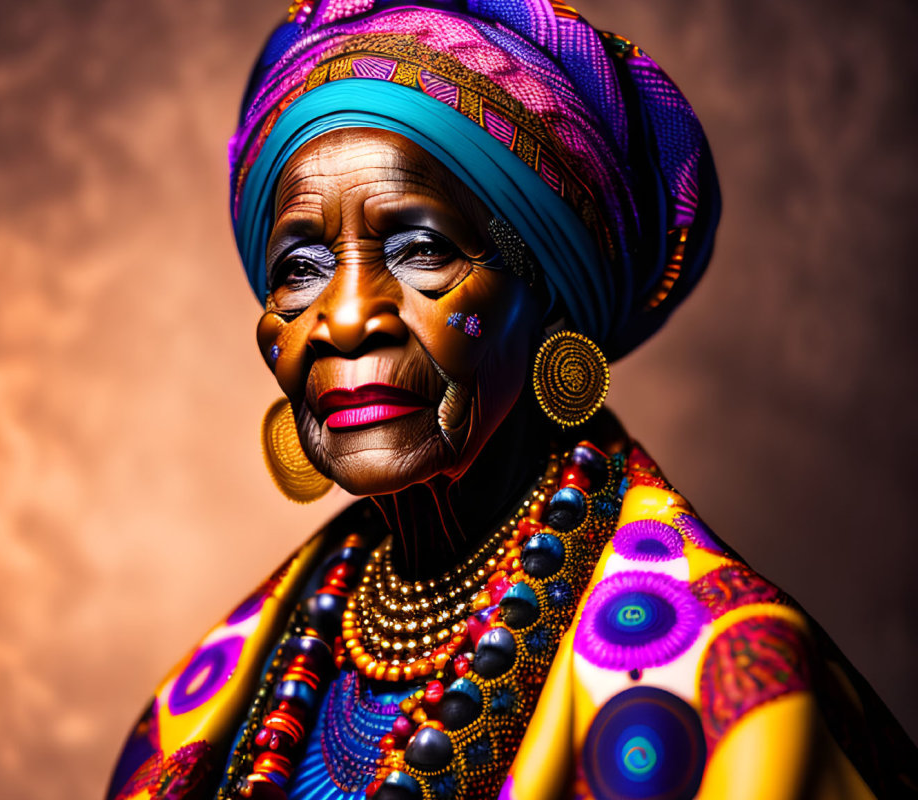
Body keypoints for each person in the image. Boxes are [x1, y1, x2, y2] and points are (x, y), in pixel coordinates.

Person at [107, 2, 917, 798]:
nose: (344, 320)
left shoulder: (730, 698)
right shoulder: (201, 709)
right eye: (300, 268)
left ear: (551, 304)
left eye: (422, 250)